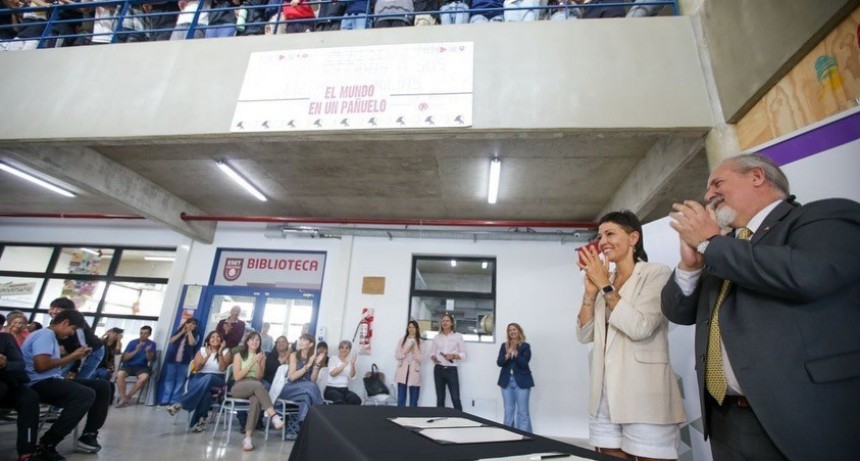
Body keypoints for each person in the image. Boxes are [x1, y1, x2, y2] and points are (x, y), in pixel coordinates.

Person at [662, 153, 860, 461]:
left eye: (717, 183)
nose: (708, 195)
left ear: (756, 177)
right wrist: (690, 266)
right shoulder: (722, 248)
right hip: (725, 418)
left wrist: (711, 244)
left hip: (798, 418)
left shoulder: (823, 216)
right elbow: (679, 313)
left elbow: (806, 275)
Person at [577, 210, 686, 460]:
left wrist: (605, 286)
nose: (602, 241)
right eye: (600, 235)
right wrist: (590, 293)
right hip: (604, 395)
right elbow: (584, 335)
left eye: (610, 233)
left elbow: (641, 326)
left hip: (644, 394)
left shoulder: (656, 273)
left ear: (633, 237)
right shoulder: (607, 279)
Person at [21, 309, 111, 459]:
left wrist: (71, 356)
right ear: (65, 323)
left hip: (51, 380)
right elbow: (41, 366)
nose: (71, 334)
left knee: (102, 386)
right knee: (85, 394)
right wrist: (72, 356)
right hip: (37, 383)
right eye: (73, 329)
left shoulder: (50, 337)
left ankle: (89, 434)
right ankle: (47, 444)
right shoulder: (45, 334)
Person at [229, 331, 284, 451]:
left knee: (256, 400)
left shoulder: (261, 355)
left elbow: (259, 377)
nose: (255, 342)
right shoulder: (239, 355)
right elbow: (237, 376)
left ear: (260, 342)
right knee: (258, 385)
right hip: (239, 386)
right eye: (252, 339)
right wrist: (253, 362)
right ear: (247, 341)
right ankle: (274, 416)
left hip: (255, 385)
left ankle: (248, 438)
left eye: (257, 340)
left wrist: (259, 363)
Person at [168, 330, 232, 432]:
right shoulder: (202, 350)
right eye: (212, 337)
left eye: (218, 337)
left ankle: (181, 403)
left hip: (217, 379)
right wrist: (207, 355)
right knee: (206, 394)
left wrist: (219, 353)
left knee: (209, 377)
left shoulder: (226, 352)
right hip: (199, 377)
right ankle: (201, 421)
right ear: (208, 340)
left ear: (221, 340)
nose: (215, 339)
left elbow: (222, 369)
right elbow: (197, 369)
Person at [0, 331, 42, 461]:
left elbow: (20, 364)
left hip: (8, 382)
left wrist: (6, 364)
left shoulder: (5, 338)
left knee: (29, 398)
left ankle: (26, 451)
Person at [49, 297, 105, 381]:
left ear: (69, 311)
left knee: (80, 379)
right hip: (74, 352)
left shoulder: (76, 322)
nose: (54, 311)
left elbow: (83, 348)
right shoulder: (56, 321)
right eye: (52, 308)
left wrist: (74, 369)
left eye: (59, 309)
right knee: (61, 375)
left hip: (92, 351)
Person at [278, 333, 324, 423]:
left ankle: (301, 424)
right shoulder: (294, 355)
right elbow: (291, 377)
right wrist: (308, 365)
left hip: (305, 390)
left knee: (306, 397)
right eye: (301, 339)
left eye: (304, 340)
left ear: (311, 344)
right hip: (290, 389)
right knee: (311, 386)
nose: (301, 342)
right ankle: (322, 411)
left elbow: (313, 379)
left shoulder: (312, 358)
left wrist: (317, 365)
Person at [497, 322, 534, 432]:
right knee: (508, 410)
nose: (512, 331)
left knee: (522, 411)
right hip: (506, 382)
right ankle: (507, 435)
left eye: (514, 329)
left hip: (522, 381)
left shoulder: (525, 346)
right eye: (510, 330)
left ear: (519, 331)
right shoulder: (504, 346)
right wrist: (507, 355)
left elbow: (524, 363)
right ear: (508, 333)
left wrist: (516, 352)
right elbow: (499, 362)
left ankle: (525, 437)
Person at [429, 312, 465, 410]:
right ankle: (440, 422)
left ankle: (460, 421)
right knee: (440, 399)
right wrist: (434, 358)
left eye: (447, 321)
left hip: (452, 370)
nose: (445, 323)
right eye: (443, 321)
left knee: (455, 398)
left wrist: (453, 356)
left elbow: (463, 354)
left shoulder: (458, 336)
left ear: (452, 323)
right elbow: (432, 353)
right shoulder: (437, 337)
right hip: (438, 370)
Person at [114, 325, 157, 408]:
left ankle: (127, 397)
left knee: (144, 377)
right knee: (120, 375)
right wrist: (136, 350)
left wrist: (148, 352)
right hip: (128, 365)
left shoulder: (152, 344)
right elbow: (125, 358)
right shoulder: (132, 342)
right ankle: (123, 397)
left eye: (145, 333)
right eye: (141, 333)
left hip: (142, 367)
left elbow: (150, 360)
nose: (142, 335)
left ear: (149, 334)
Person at [160, 318, 199, 406]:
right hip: (172, 360)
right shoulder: (178, 331)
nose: (192, 325)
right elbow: (171, 340)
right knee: (169, 380)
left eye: (194, 324)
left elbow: (191, 343)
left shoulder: (196, 335)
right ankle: (165, 399)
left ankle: (174, 400)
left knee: (180, 381)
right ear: (186, 324)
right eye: (190, 323)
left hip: (185, 361)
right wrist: (182, 332)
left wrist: (189, 332)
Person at [394, 320, 424, 407]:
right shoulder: (402, 340)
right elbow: (397, 356)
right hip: (402, 371)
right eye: (409, 327)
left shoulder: (421, 342)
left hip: (414, 371)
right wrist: (407, 350)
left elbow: (421, 358)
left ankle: (412, 418)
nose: (411, 329)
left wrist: (414, 349)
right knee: (401, 398)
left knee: (414, 400)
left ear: (417, 329)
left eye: (413, 327)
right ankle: (400, 416)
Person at [324, 340, 360, 405]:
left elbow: (352, 376)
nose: (344, 350)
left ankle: (348, 415)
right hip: (331, 389)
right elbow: (333, 374)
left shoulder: (350, 362)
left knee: (356, 400)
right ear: (339, 349)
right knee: (340, 399)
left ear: (349, 350)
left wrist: (352, 364)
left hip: (344, 389)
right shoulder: (333, 359)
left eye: (347, 348)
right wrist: (345, 363)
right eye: (342, 347)